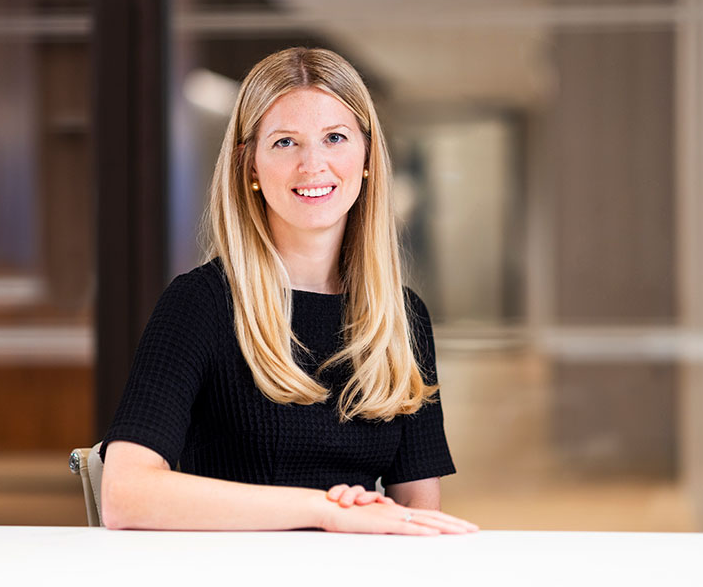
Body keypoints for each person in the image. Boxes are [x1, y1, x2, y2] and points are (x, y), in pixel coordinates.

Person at [100, 46, 477, 536]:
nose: (312, 165)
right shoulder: (200, 304)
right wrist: (322, 510)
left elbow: (418, 515)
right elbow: (124, 496)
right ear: (250, 165)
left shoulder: (402, 317)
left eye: (335, 138)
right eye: (285, 143)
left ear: (366, 155)